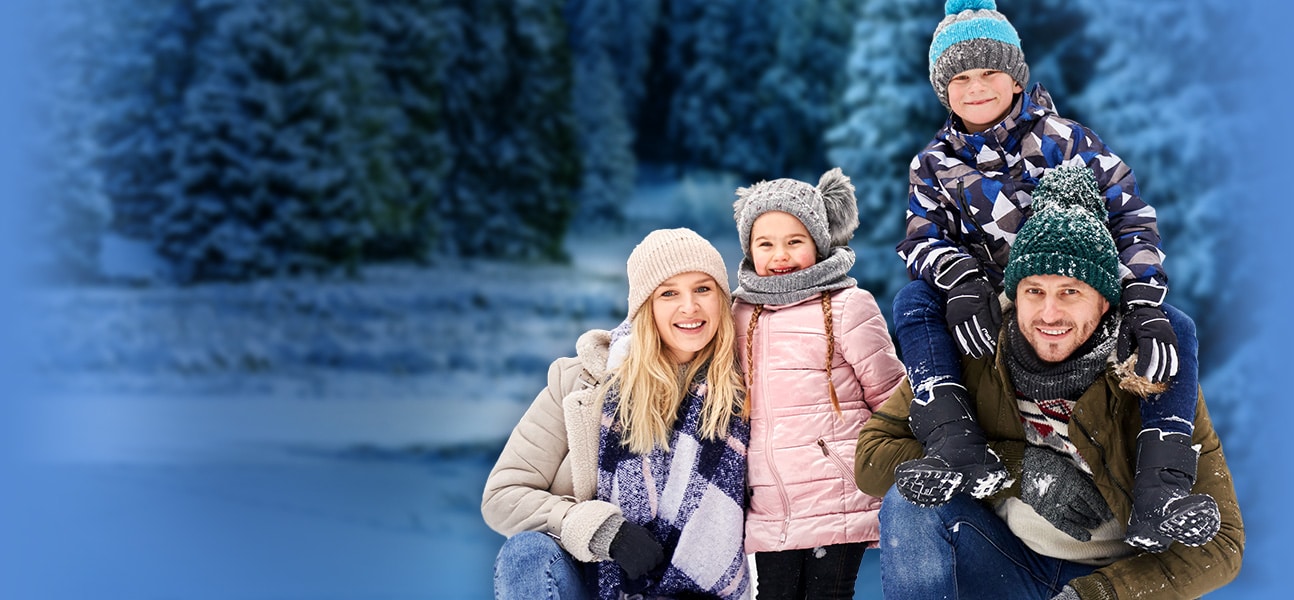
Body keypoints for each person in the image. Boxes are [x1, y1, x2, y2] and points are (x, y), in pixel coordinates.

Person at [891, 0, 1216, 552]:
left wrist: (1140, 298)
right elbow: (921, 237)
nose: (976, 87)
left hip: (1073, 286)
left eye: (989, 72)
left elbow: (1131, 218)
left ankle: (1161, 490)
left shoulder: (1066, 140)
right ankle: (954, 439)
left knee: (1175, 326)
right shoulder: (933, 164)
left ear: (1016, 78)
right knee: (911, 301)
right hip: (992, 294)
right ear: (943, 90)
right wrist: (961, 280)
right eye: (961, 78)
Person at [854, 167, 1243, 599]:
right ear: (1014, 293)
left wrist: (1093, 595)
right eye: (1034, 291)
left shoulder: (1148, 370)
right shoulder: (977, 350)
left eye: (1070, 292)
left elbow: (1222, 545)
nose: (1049, 314)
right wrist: (1020, 471)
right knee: (908, 504)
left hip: (1115, 576)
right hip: (1007, 563)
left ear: (1104, 300)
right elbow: (872, 457)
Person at [482, 228, 752, 600]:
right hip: (591, 582)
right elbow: (503, 495)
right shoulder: (584, 381)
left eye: (703, 289)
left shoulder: (748, 388)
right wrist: (603, 531)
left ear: (722, 299)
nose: (689, 306)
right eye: (669, 293)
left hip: (698, 594)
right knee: (526, 554)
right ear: (645, 306)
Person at [731, 168, 906, 599]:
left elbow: (891, 397)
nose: (780, 255)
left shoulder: (848, 306)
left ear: (819, 242)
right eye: (765, 244)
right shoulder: (739, 314)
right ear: (749, 249)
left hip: (838, 493)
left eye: (795, 241)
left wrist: (894, 468)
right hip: (771, 501)